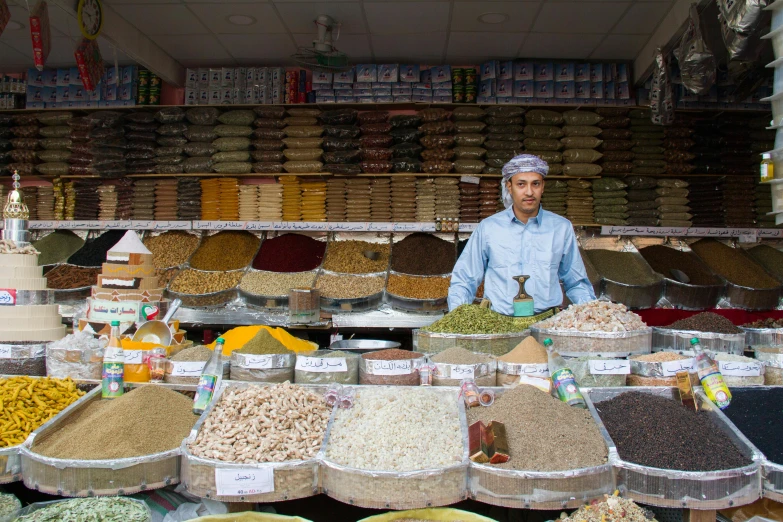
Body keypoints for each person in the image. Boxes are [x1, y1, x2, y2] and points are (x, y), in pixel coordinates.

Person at [448, 154, 595, 315]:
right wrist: (457, 316)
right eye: (521, 184)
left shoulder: (561, 228)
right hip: (499, 324)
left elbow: (576, 282)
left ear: (543, 187)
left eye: (535, 184)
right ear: (509, 187)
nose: (529, 192)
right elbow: (464, 279)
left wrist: (591, 314)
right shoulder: (489, 228)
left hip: (547, 323)